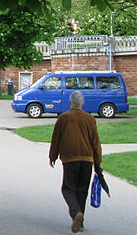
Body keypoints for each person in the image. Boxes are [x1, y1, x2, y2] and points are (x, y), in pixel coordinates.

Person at [49, 91, 102, 233]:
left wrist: (52, 156)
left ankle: (76, 213)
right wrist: (98, 162)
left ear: (70, 103)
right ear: (82, 103)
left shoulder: (63, 118)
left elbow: (56, 139)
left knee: (68, 188)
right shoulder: (90, 119)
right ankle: (80, 221)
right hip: (87, 159)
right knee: (82, 190)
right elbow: (95, 142)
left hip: (70, 158)